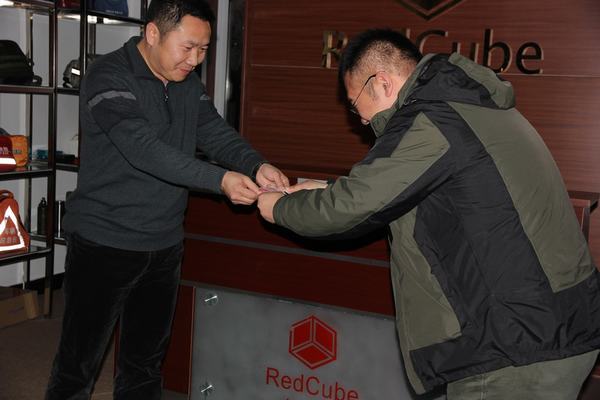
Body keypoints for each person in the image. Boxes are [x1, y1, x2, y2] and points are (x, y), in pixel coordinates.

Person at [257, 28, 600, 399]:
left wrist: (279, 208)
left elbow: (352, 206)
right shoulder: (465, 105)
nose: (362, 121)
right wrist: (323, 188)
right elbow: (416, 189)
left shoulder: (432, 119)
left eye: (356, 106)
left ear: (382, 83)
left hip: (516, 346)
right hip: (550, 327)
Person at [45, 0, 288, 398]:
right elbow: (144, 149)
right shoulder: (108, 75)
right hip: (105, 242)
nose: (195, 60)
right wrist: (220, 180)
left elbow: (214, 132)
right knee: (78, 368)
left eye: (204, 50)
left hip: (163, 244)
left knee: (144, 366)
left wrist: (255, 164)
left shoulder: (185, 82)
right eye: (188, 47)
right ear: (153, 33)